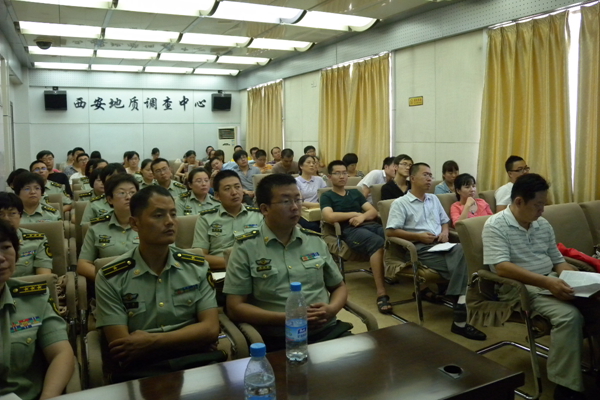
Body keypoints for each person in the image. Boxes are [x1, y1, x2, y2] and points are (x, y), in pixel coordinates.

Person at [483, 173, 600, 400]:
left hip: (549, 280)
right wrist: (547, 282)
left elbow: (558, 261)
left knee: (596, 304)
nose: (542, 211)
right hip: (519, 288)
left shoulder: (542, 225)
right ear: (519, 201)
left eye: (543, 204)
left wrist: (576, 280)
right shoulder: (495, 225)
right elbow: (502, 268)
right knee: (569, 317)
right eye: (538, 205)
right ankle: (565, 387)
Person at [95, 185, 222, 382]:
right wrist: (192, 338)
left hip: (196, 364)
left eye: (173, 214)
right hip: (142, 372)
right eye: (158, 215)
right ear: (135, 223)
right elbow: (123, 347)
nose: (170, 221)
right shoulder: (111, 276)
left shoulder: (196, 266)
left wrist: (152, 341)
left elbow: (211, 329)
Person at [225, 173, 352, 351]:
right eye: (286, 201)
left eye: (298, 199)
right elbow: (235, 307)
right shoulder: (246, 247)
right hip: (277, 338)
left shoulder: (315, 241)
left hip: (326, 331)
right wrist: (288, 318)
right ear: (265, 209)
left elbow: (339, 286)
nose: (295, 207)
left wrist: (331, 309)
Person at [385, 163, 486, 340]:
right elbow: (390, 232)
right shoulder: (401, 203)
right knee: (465, 261)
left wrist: (445, 232)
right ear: (412, 178)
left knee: (466, 252)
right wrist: (417, 236)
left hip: (441, 245)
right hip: (419, 249)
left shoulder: (433, 199)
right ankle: (461, 313)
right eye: (425, 175)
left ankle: (460, 305)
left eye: (431, 175)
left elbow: (444, 221)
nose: (429, 179)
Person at [0, 219, 74, 400]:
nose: (1, 258)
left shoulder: (33, 299)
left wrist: (47, 396)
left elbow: (61, 353)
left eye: (6, 247)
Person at [321, 160, 391, 314]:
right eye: (337, 173)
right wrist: (354, 214)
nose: (342, 176)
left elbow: (372, 211)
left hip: (369, 225)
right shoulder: (327, 196)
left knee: (392, 237)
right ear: (329, 177)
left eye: (344, 173)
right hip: (350, 230)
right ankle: (381, 293)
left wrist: (362, 217)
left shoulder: (355, 193)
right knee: (377, 242)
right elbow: (329, 216)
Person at [192, 170, 263, 270]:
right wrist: (239, 263)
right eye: (227, 189)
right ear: (217, 195)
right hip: (220, 273)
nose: (234, 192)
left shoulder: (258, 215)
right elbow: (200, 256)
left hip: (256, 271)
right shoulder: (206, 218)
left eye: (237, 187)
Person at [77, 174, 140, 282]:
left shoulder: (149, 224)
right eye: (122, 193)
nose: (128, 197)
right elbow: (83, 265)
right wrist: (106, 280)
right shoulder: (96, 228)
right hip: (108, 283)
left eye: (132, 192)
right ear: (110, 199)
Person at [0, 192, 52, 277]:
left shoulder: (38, 240)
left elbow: (44, 276)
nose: (6, 219)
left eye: (12, 213)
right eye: (0, 214)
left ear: (20, 215)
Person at [296, 154, 327, 232]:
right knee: (314, 226)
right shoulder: (296, 181)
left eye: (313, 163)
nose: (312, 165)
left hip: (319, 210)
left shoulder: (319, 180)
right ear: (301, 166)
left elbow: (326, 196)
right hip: (303, 213)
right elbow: (300, 202)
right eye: (308, 162)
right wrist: (320, 205)